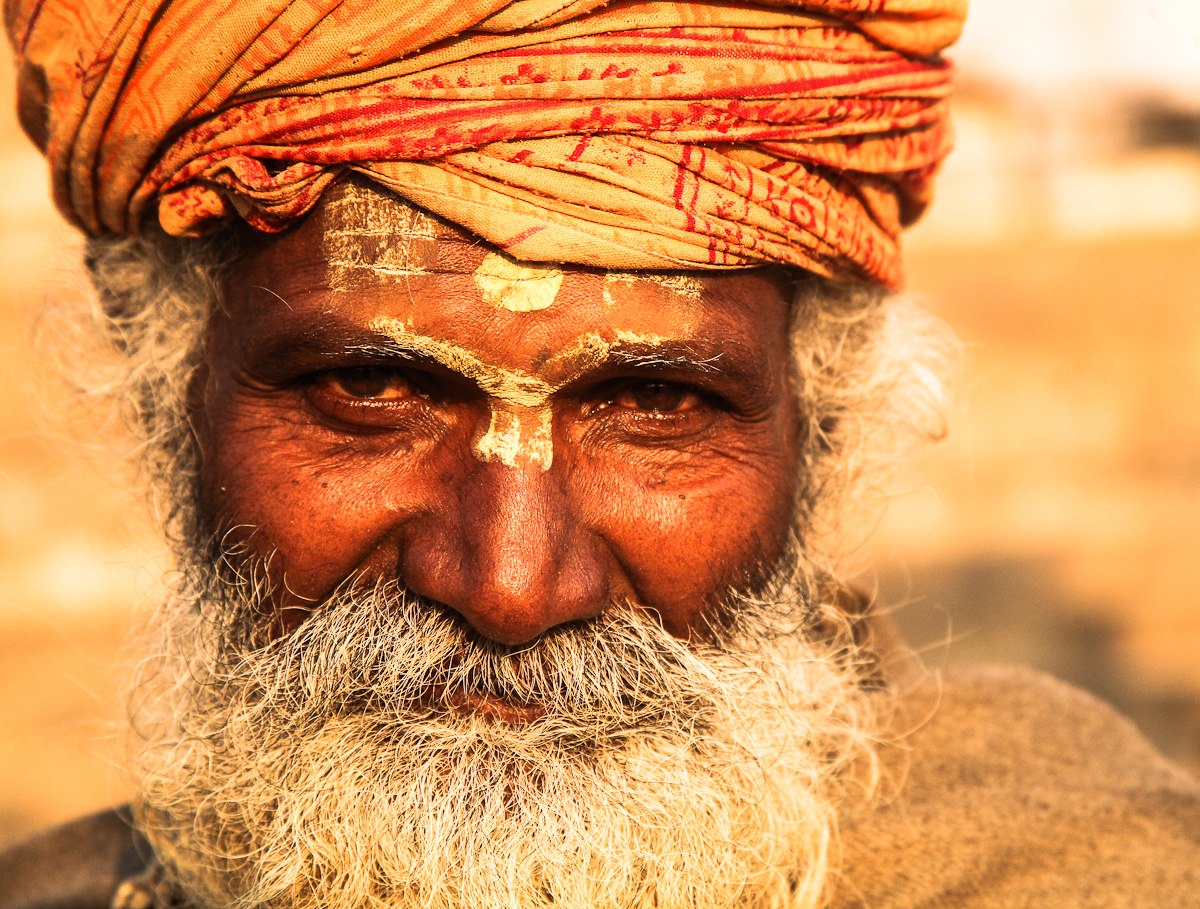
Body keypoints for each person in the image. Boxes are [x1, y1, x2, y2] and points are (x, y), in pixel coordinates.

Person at [2, 1, 1198, 907]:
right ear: (168, 400)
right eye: (369, 389)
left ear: (824, 432)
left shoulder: (1085, 868)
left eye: (657, 406)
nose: (513, 586)